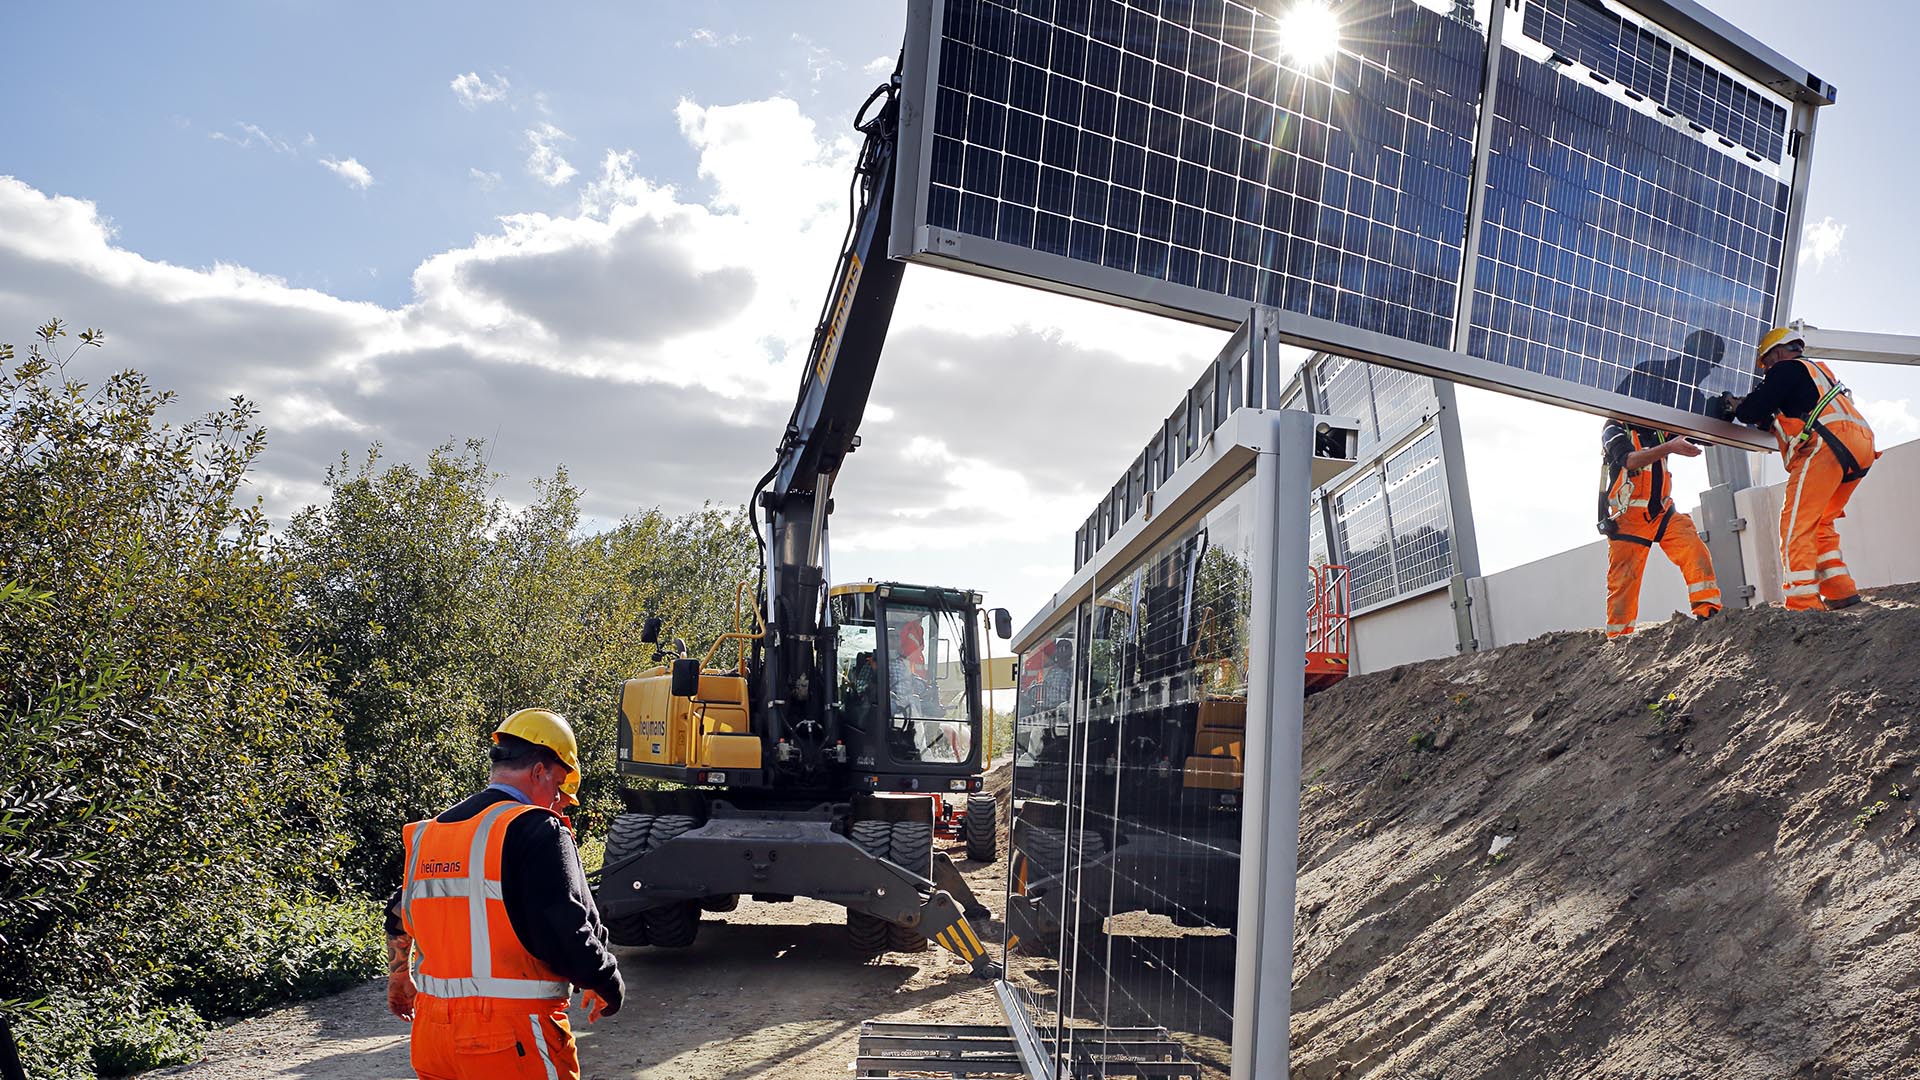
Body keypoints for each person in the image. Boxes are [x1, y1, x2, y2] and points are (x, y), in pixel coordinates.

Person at [385, 708, 625, 1080]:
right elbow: (563, 926)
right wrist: (605, 978)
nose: (556, 799)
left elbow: (400, 912)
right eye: (558, 785)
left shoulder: (428, 835)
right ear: (539, 771)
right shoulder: (536, 828)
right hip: (511, 1034)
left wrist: (399, 975)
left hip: (433, 1038)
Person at [1721, 327, 1878, 610]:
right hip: (1860, 444)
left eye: (1766, 363)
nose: (1766, 370)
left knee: (1796, 523)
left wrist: (1736, 407)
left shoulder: (1785, 369)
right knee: (1820, 522)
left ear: (1778, 352)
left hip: (1828, 445)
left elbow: (1751, 411)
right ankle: (1840, 590)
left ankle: (1802, 600)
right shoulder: (1818, 374)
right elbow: (1790, 416)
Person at [1598, 417, 1722, 638]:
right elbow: (1629, 460)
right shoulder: (1614, 427)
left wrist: (1720, 421)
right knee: (1623, 584)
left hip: (1663, 513)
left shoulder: (1660, 424)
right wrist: (1669, 447)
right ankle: (1619, 639)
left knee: (1695, 551)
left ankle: (1709, 614)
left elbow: (1704, 435)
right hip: (1629, 521)